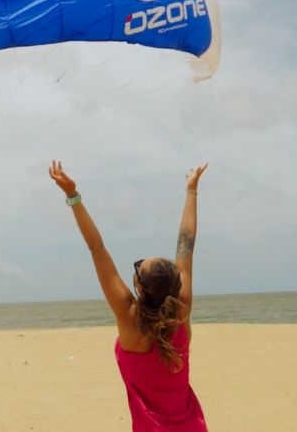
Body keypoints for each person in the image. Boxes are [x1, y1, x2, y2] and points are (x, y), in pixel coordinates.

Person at [48, 160, 209, 432]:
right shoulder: (181, 311)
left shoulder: (129, 317)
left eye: (139, 266)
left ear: (139, 287)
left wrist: (72, 196)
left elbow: (96, 247)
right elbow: (186, 243)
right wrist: (191, 191)